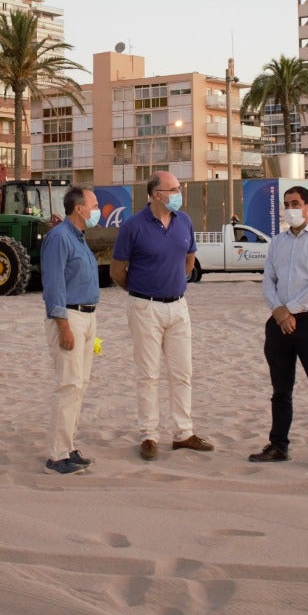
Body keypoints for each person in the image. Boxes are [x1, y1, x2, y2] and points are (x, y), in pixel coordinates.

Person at [111, 171, 213, 460]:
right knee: (148, 374)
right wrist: (142, 291)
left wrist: (176, 282)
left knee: (182, 372)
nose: (179, 193)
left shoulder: (185, 222)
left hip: (179, 307)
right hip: (145, 308)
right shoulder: (133, 226)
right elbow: (117, 271)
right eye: (174, 188)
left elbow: (189, 258)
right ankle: (149, 435)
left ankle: (184, 433)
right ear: (157, 194)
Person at [251, 185, 308, 472]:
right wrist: (278, 311)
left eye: (295, 203)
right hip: (279, 324)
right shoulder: (277, 243)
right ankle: (278, 445)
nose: (290, 208)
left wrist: (288, 309)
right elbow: (269, 280)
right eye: (286, 204)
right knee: (281, 390)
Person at [40, 185, 102, 475]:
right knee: (68, 385)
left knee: (80, 385)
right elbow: (54, 287)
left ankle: (68, 445)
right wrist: (64, 326)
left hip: (86, 317)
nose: (97, 210)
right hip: (69, 318)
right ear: (79, 209)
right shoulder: (59, 238)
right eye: (94, 205)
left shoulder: (79, 238)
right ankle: (57, 454)